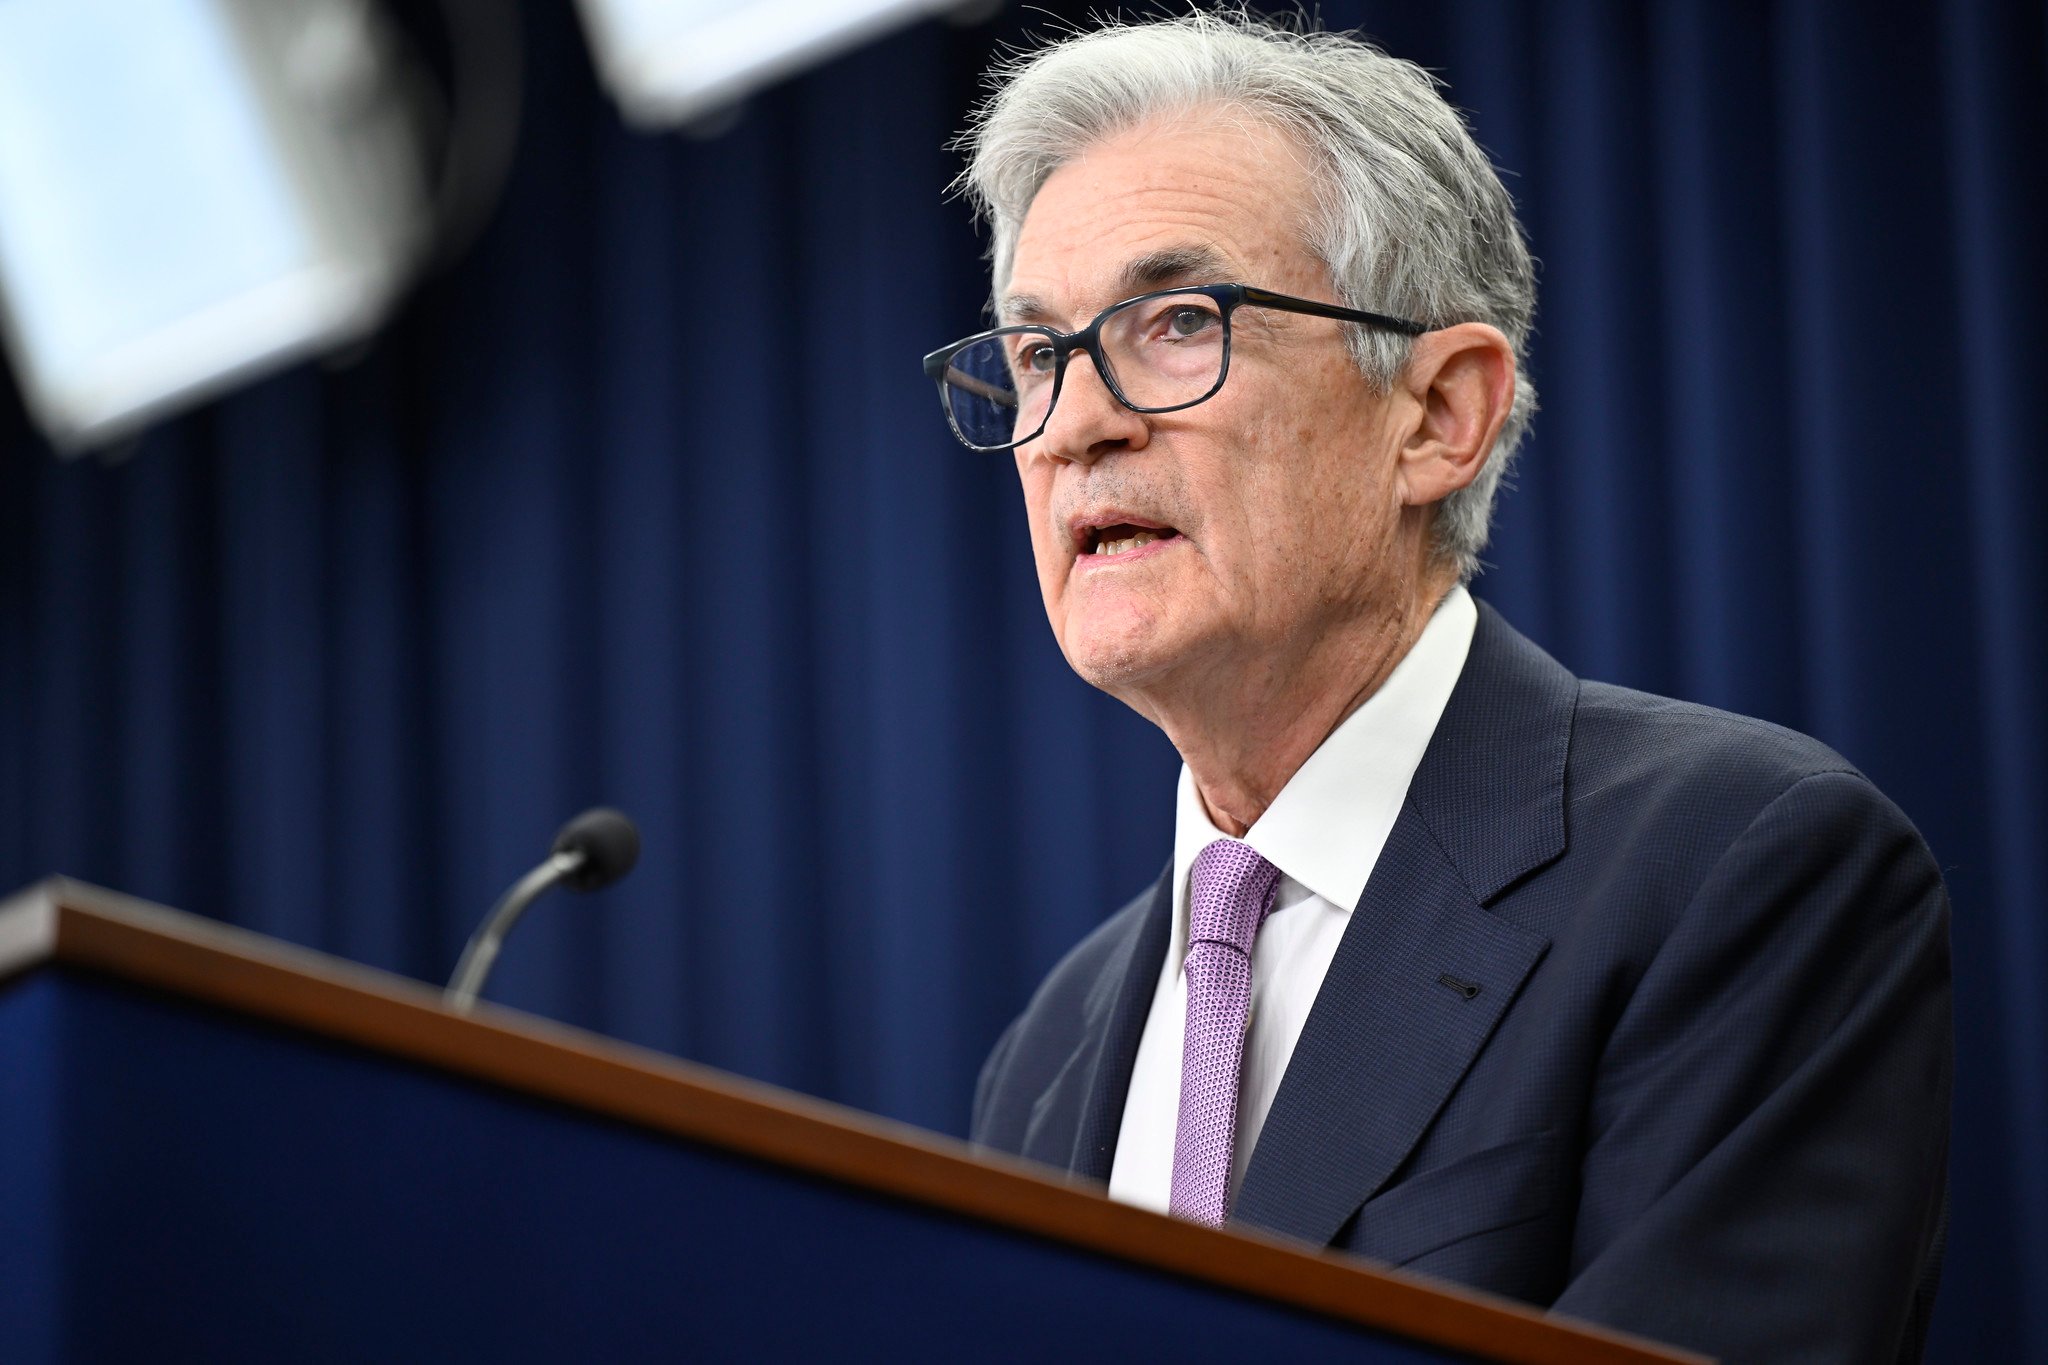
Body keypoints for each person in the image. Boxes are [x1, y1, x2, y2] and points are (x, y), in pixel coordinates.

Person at [922, 13, 1952, 1363]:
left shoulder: (1743, 873)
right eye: (1041, 353)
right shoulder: (1043, 1057)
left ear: (1438, 415)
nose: (1077, 425)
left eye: (1177, 322)